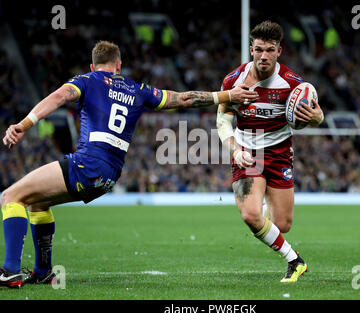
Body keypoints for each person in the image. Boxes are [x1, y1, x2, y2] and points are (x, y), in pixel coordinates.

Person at [0, 40, 258, 288]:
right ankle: (44, 273)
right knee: (37, 202)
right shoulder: (139, 89)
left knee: (11, 196)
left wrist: (24, 124)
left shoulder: (87, 80)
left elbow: (59, 96)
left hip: (88, 163)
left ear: (93, 67)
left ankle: (10, 271)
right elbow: (184, 99)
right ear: (119, 65)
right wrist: (227, 95)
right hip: (109, 175)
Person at [217, 21, 324, 282]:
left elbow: (317, 116)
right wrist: (235, 150)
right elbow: (222, 121)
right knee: (250, 215)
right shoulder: (234, 81)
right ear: (251, 49)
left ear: (279, 51)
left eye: (270, 50)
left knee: (282, 224)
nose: (264, 55)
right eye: (259, 49)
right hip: (248, 152)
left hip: (279, 153)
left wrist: (316, 117)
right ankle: (294, 260)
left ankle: (261, 216)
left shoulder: (292, 84)